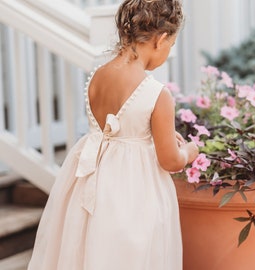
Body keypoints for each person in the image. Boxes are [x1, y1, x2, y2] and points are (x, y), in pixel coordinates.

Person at [28, 0, 198, 269]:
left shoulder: (97, 76)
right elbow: (170, 161)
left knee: (90, 246)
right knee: (130, 254)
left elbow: (115, 126)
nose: (168, 50)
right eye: (171, 44)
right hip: (134, 190)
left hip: (94, 180)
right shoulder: (157, 94)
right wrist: (189, 151)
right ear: (161, 39)